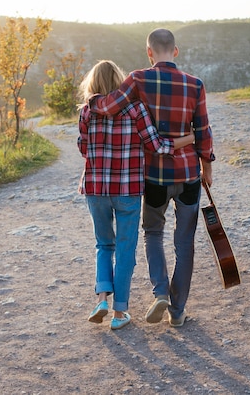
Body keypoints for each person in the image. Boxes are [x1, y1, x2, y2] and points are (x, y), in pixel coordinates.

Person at [89, 29, 215, 327]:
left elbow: (108, 107)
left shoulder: (138, 79)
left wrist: (90, 102)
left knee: (153, 233)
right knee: (185, 243)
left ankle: (160, 291)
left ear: (149, 52)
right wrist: (207, 167)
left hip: (154, 176)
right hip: (188, 175)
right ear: (175, 51)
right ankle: (178, 310)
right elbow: (204, 131)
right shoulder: (195, 85)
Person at [78, 59, 195, 330]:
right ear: (119, 82)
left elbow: (83, 148)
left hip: (95, 189)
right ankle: (120, 313)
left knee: (103, 245)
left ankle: (101, 300)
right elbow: (156, 145)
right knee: (125, 248)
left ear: (92, 84)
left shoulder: (86, 112)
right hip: (127, 190)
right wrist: (189, 139)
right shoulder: (135, 108)